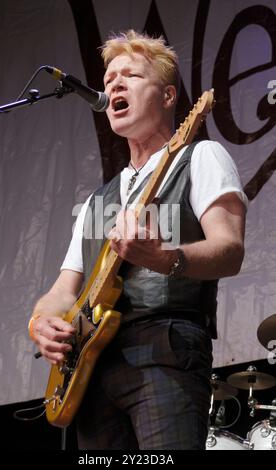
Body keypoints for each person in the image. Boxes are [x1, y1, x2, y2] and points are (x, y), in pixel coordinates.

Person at [28, 30, 247, 450]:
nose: (113, 84)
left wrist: (165, 258)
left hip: (164, 349)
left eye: (130, 75)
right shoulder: (98, 199)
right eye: (109, 79)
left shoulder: (200, 156)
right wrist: (41, 324)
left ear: (167, 97)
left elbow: (231, 250)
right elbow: (62, 291)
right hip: (91, 369)